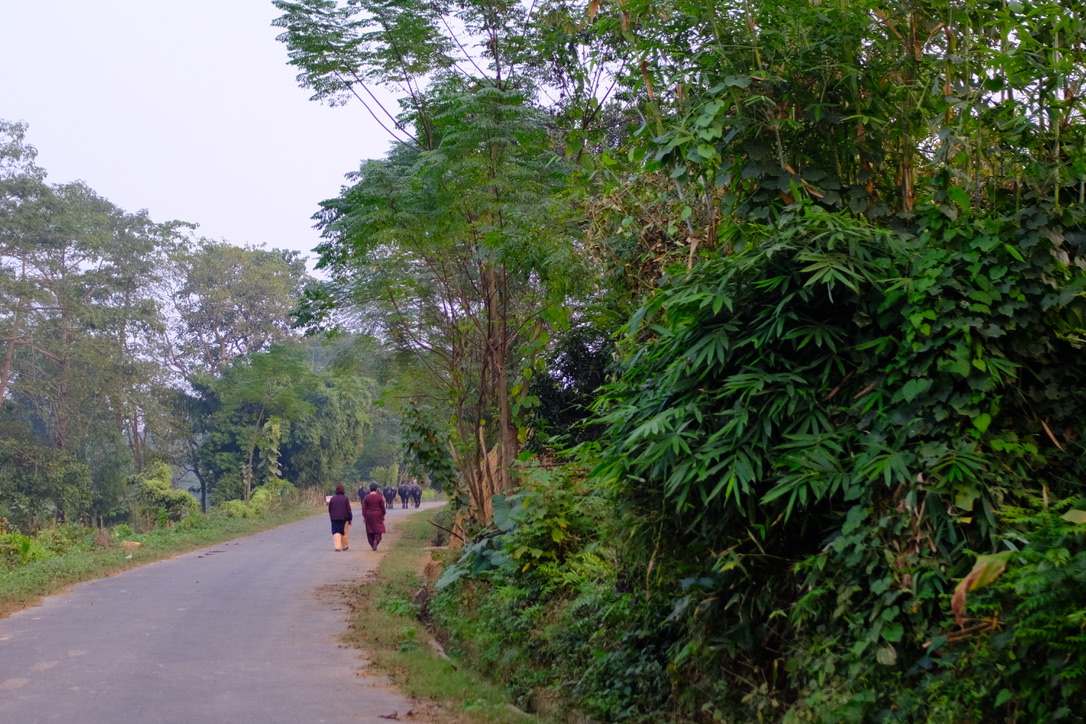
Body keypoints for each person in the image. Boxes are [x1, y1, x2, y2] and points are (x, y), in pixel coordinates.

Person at [361, 483, 387, 550]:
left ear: (370, 489)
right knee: (378, 529)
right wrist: (383, 515)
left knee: (370, 530)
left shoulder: (366, 497)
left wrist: (364, 517)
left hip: (369, 515)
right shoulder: (379, 497)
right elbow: (383, 508)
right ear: (376, 489)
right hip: (378, 514)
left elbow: (364, 509)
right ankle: (376, 540)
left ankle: (372, 543)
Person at [327, 484, 353, 551]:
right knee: (344, 532)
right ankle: (344, 546)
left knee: (336, 532)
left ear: (336, 491)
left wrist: (331, 517)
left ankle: (337, 547)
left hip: (334, 518)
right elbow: (348, 509)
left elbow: (330, 509)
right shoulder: (345, 498)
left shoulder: (332, 499)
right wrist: (350, 519)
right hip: (344, 518)